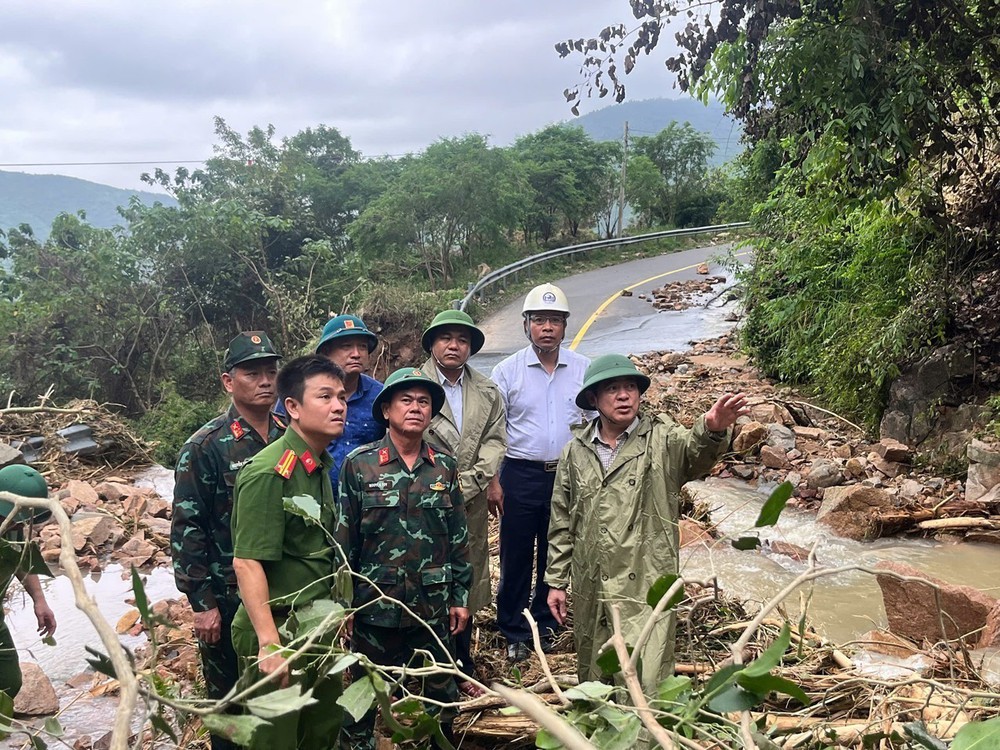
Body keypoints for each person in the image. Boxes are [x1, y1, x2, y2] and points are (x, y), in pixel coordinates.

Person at [545, 354, 748, 693]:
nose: (623, 396)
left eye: (630, 388)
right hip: (591, 579)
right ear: (594, 399)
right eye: (612, 389)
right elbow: (562, 518)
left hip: (646, 581)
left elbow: (694, 453)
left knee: (645, 678)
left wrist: (712, 428)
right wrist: (556, 580)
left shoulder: (661, 438)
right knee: (595, 677)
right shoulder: (575, 451)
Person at [337, 367, 472, 748]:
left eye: (424, 402)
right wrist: (343, 605)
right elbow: (345, 541)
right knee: (364, 700)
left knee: (441, 700)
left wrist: (461, 598)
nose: (416, 408)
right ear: (386, 411)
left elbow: (459, 537)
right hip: (375, 607)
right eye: (406, 400)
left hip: (432, 608)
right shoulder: (359, 466)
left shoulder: (444, 467)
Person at [171, 331, 285, 750]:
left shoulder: (290, 435)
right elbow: (187, 527)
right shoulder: (205, 447)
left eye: (271, 372)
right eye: (252, 373)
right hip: (228, 595)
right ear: (227, 381)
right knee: (230, 705)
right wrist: (201, 604)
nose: (265, 381)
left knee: (282, 697)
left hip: (285, 589)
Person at [230, 355, 348, 750]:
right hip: (278, 628)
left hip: (316, 627)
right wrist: (269, 643)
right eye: (325, 396)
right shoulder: (269, 471)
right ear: (293, 408)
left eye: (342, 397)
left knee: (321, 734)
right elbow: (247, 561)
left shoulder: (317, 465)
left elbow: (318, 552)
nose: (338, 406)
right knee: (275, 742)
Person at [489, 283, 592, 662]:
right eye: (539, 321)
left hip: (566, 475)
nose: (546, 328)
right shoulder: (506, 372)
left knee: (556, 550)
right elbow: (493, 431)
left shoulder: (583, 369)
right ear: (526, 325)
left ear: (565, 327)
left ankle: (545, 622)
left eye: (554, 321)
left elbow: (598, 425)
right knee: (515, 553)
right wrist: (494, 480)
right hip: (519, 473)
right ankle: (514, 629)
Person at [419, 309, 506, 696]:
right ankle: (423, 665)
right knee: (423, 575)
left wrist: (469, 483)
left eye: (462, 340)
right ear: (432, 344)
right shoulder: (411, 384)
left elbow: (495, 440)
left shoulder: (486, 391)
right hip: (420, 502)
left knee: (465, 576)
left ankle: (462, 664)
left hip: (467, 502)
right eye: (445, 338)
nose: (454, 346)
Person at [307, 314, 386, 495]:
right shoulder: (303, 394)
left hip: (369, 502)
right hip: (314, 499)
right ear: (326, 352)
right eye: (346, 346)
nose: (356, 354)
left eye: (362, 347)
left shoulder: (381, 395)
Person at [0, 465, 57, 700]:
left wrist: (39, 600)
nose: (21, 525)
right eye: (17, 518)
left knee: (9, 680)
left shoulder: (13, 527)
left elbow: (21, 559)